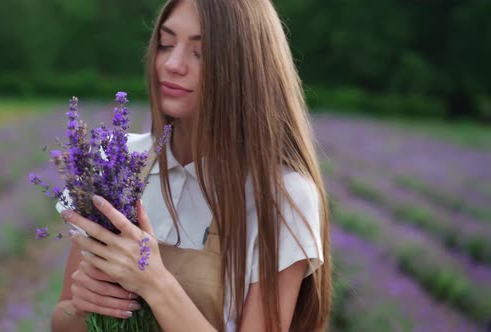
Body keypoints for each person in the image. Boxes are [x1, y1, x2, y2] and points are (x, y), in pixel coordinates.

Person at [51, 0, 331, 331]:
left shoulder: (281, 195)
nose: (172, 63)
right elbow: (61, 320)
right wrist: (85, 307)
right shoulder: (113, 162)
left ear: (245, 69)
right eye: (166, 44)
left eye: (200, 53)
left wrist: (154, 283)